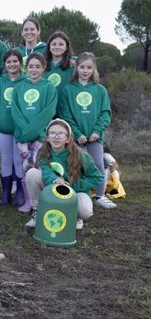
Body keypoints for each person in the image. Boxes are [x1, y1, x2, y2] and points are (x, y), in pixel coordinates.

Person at [58, 52, 116, 209]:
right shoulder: (68, 90)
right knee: (74, 165)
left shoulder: (100, 90)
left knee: (97, 164)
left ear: (94, 69)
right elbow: (65, 114)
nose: (85, 70)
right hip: (76, 138)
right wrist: (77, 133)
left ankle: (100, 195)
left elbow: (105, 113)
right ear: (76, 68)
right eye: (82, 67)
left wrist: (97, 131)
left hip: (94, 138)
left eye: (89, 67)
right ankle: (76, 194)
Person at [23, 119, 103, 229]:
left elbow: (97, 177)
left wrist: (72, 185)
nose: (56, 136)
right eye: (52, 133)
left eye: (61, 133)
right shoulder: (44, 153)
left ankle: (76, 217)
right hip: (54, 187)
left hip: (76, 191)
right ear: (47, 137)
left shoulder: (80, 155)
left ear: (68, 139)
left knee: (85, 211)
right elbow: (47, 173)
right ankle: (38, 212)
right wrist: (55, 180)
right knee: (32, 173)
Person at [11, 53, 58, 213]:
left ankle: (41, 200)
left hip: (40, 137)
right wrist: (25, 131)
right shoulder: (19, 88)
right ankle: (28, 200)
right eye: (31, 66)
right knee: (25, 167)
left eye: (38, 66)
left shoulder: (49, 87)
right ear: (26, 68)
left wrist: (31, 131)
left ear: (44, 67)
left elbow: (48, 112)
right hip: (22, 136)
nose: (34, 69)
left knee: (38, 168)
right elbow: (15, 111)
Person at [0, 50, 27, 206]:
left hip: (20, 129)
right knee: (6, 160)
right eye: (9, 62)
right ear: (5, 64)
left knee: (18, 160)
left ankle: (20, 193)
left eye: (15, 61)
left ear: (20, 63)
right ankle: (5, 194)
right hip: (2, 128)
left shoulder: (26, 81)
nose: (12, 64)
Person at [44, 31, 75, 95]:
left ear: (66, 47)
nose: (57, 47)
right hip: (47, 104)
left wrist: (77, 62)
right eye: (54, 44)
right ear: (49, 47)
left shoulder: (73, 64)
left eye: (61, 44)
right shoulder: (42, 65)